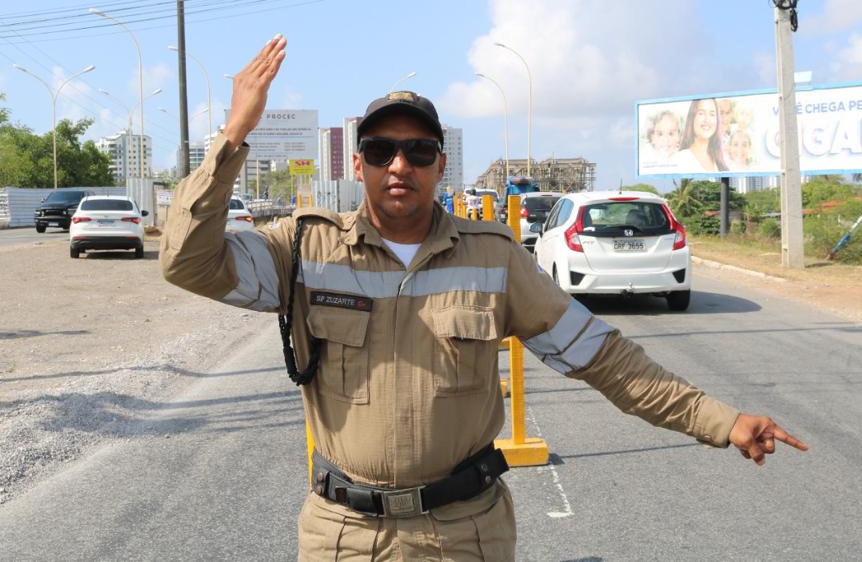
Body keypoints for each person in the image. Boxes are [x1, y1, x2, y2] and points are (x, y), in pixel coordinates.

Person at [161, 35, 808, 561]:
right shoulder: (303, 251)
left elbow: (603, 358)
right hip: (343, 537)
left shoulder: (493, 258)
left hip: (464, 534)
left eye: (417, 151)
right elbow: (187, 261)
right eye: (381, 150)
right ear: (357, 164)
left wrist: (718, 420)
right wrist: (232, 138)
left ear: (441, 165)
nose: (398, 166)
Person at [677, 97, 728, 172]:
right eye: (701, 113)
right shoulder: (681, 159)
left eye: (712, 114)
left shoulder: (720, 161)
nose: (707, 120)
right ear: (692, 118)